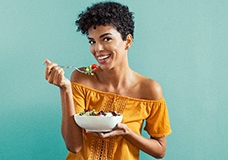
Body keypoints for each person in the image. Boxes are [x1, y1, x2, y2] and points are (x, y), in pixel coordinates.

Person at [44, 1, 171, 160]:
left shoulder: (149, 89)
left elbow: (160, 150)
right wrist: (65, 89)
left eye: (106, 39)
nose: (97, 49)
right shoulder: (82, 78)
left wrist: (127, 133)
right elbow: (74, 146)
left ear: (128, 41)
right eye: (92, 41)